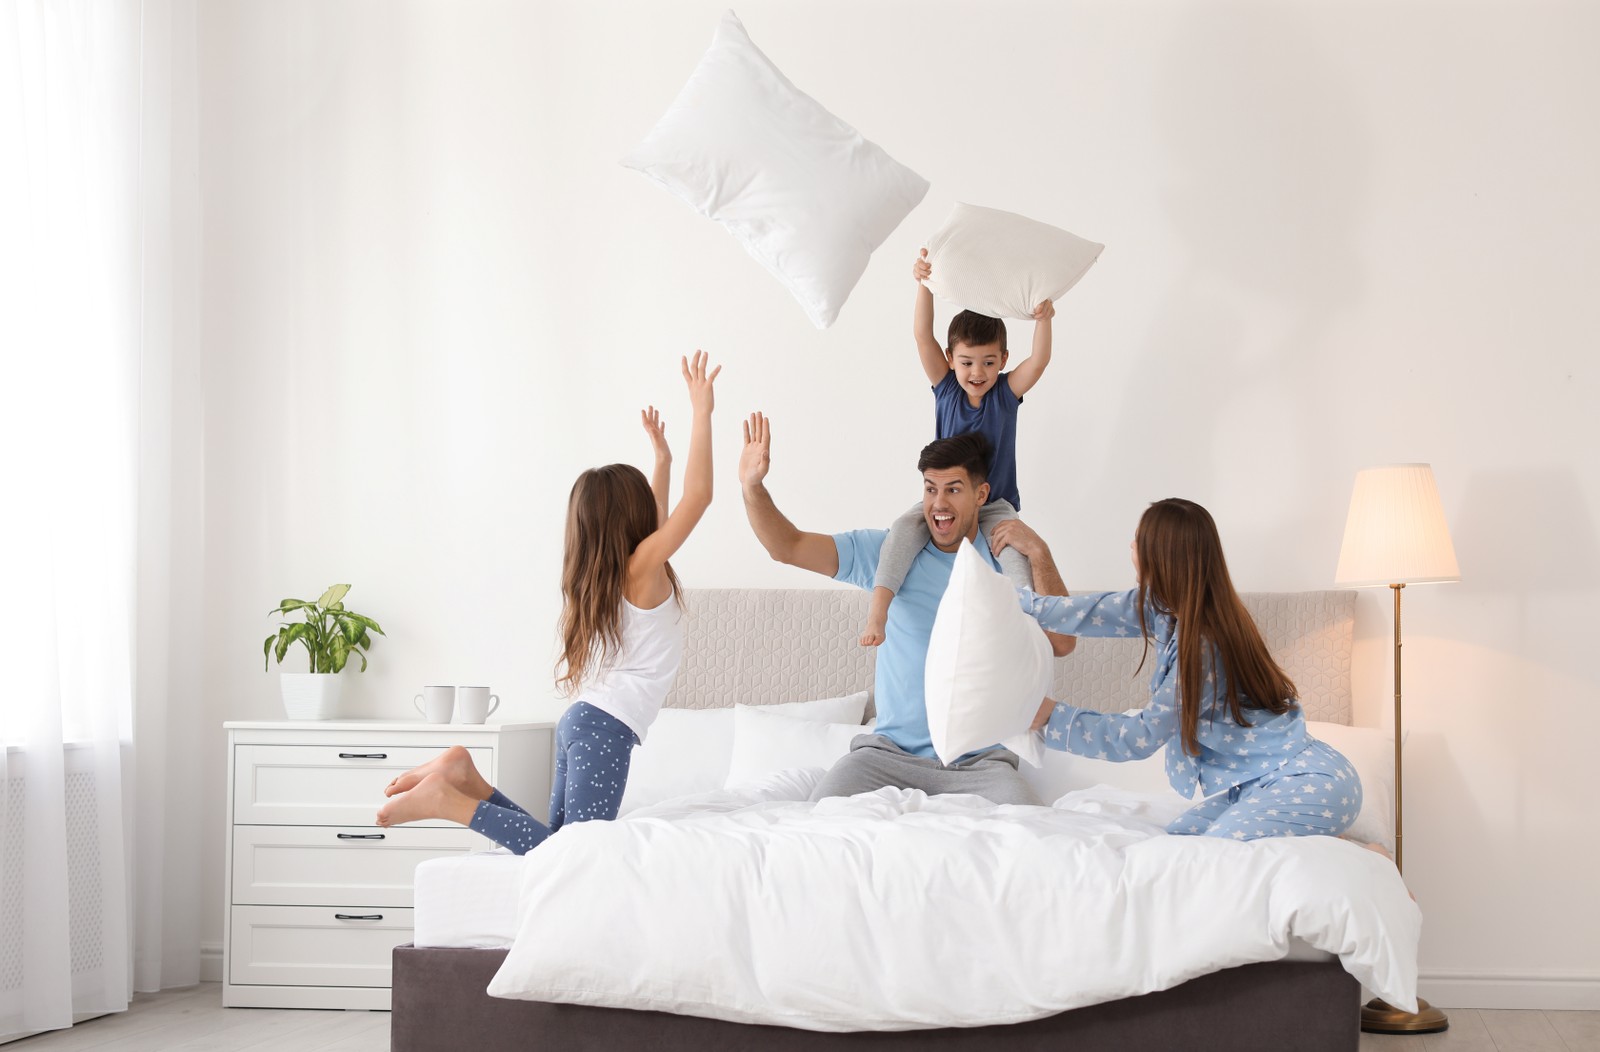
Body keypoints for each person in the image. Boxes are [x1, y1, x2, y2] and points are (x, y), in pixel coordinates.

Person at [375, 351, 722, 852]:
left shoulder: (620, 572)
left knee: (557, 847)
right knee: (574, 857)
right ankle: (450, 802)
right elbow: (700, 498)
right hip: (606, 730)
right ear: (635, 518)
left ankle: (464, 777)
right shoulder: (641, 569)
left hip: (585, 721)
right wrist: (702, 414)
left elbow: (663, 515)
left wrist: (663, 461)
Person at [739, 414, 1073, 804]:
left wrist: (1040, 552)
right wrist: (752, 488)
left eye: (953, 490)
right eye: (931, 489)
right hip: (887, 757)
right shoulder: (889, 557)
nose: (939, 504)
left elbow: (1062, 642)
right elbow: (788, 547)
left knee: (1029, 834)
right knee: (822, 820)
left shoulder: (1007, 557)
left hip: (981, 763)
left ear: (981, 495)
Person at [993, 499, 1363, 841]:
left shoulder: (1204, 645)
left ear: (1160, 556)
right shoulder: (1161, 605)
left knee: (1209, 854)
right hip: (1256, 783)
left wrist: (1050, 717)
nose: (1131, 548)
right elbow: (1084, 613)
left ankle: (1361, 852)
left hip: (1310, 781)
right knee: (1179, 839)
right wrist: (1008, 599)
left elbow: (1139, 735)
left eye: (1137, 540)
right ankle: (1340, 843)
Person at [859, 249, 1057, 648]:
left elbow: (1038, 362)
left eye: (988, 362)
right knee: (900, 532)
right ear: (951, 359)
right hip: (946, 496)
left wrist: (1043, 322)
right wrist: (924, 285)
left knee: (1012, 554)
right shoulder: (946, 387)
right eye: (967, 362)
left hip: (995, 501)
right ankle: (878, 612)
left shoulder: (1005, 394)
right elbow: (921, 335)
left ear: (1003, 359)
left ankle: (1027, 625)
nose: (977, 373)